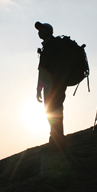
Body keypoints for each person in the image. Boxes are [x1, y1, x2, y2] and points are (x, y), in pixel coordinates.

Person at [35, 21, 68, 152]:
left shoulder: (54, 45)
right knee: (51, 112)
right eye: (39, 29)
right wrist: (39, 88)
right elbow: (42, 70)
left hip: (56, 84)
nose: (39, 32)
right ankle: (55, 139)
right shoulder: (46, 47)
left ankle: (58, 142)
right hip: (50, 85)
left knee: (55, 111)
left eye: (42, 29)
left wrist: (40, 87)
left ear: (49, 31)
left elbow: (47, 69)